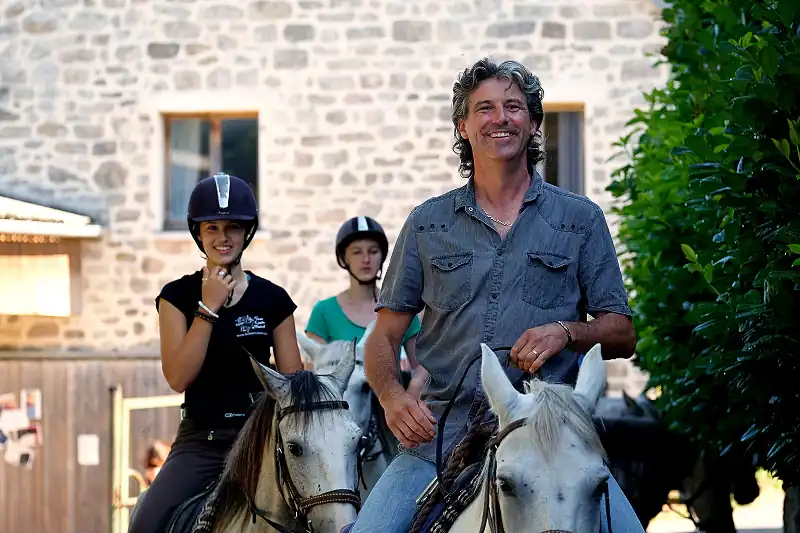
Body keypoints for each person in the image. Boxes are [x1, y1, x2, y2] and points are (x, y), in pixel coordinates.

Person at [349, 58, 643, 533]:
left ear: (533, 123)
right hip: (441, 437)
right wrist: (391, 396)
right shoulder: (427, 223)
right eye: (483, 108)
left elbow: (623, 333)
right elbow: (382, 338)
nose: (499, 118)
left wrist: (569, 331)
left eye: (513, 106)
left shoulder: (581, 219)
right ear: (463, 126)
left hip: (554, 439)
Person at [128, 173, 304, 533]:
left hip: (263, 444)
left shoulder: (273, 299)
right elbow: (178, 377)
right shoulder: (176, 297)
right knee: (145, 524)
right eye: (212, 228)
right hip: (201, 443)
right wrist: (207, 309)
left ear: (247, 233)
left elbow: (292, 386)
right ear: (199, 234)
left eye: (233, 228)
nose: (223, 238)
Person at [305, 216, 422, 370]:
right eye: (357, 252)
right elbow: (312, 374)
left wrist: (409, 392)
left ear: (382, 256)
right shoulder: (323, 312)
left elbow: (420, 371)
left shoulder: (401, 309)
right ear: (344, 258)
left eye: (373, 251)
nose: (366, 259)